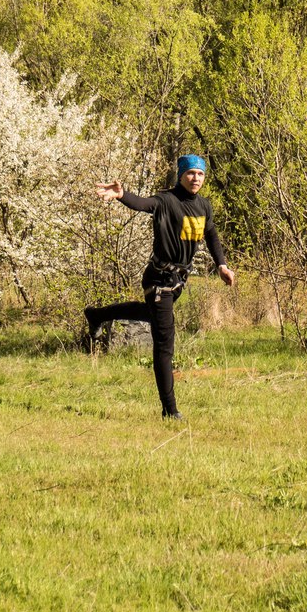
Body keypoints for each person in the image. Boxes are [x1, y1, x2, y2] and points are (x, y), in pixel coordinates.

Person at [85, 154, 235, 419]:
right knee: (165, 342)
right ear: (180, 174)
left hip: (178, 282)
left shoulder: (204, 206)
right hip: (159, 280)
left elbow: (210, 233)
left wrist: (221, 265)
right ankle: (170, 410)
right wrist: (122, 195)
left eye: (200, 174)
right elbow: (144, 204)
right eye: (190, 173)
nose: (195, 178)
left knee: (150, 315)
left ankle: (97, 315)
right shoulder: (167, 201)